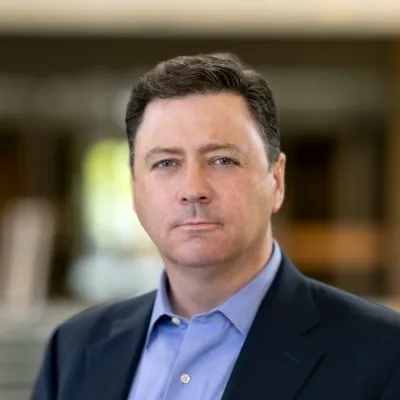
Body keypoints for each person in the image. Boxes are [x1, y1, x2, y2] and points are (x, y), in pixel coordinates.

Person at [32, 53, 400, 400]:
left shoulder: (383, 353)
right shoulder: (74, 348)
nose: (193, 190)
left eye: (222, 160)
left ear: (277, 180)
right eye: (165, 163)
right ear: (134, 189)